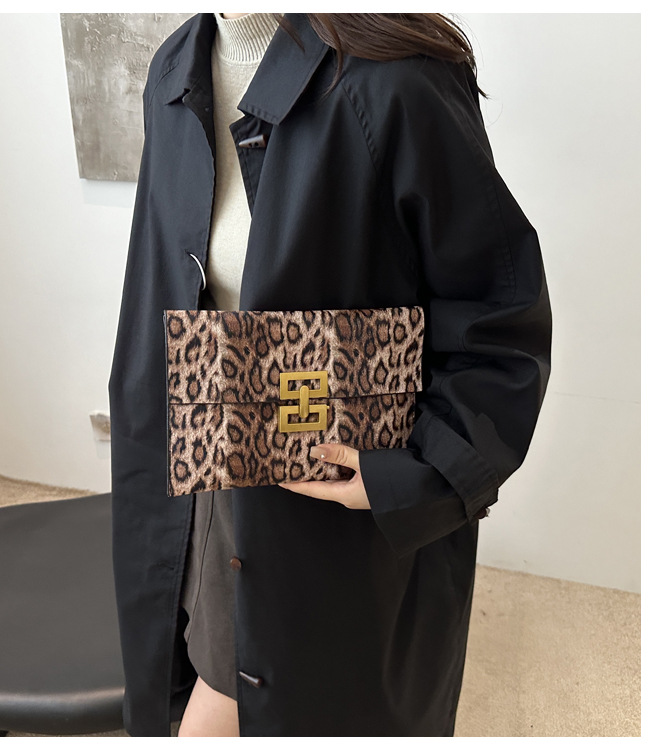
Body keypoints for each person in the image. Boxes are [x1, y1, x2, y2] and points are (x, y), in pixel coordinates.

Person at [108, 12, 552, 738]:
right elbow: (158, 282)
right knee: (188, 672)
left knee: (289, 702)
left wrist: (421, 473)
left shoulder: (396, 76)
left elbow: (497, 318)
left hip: (332, 498)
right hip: (200, 470)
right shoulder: (172, 70)